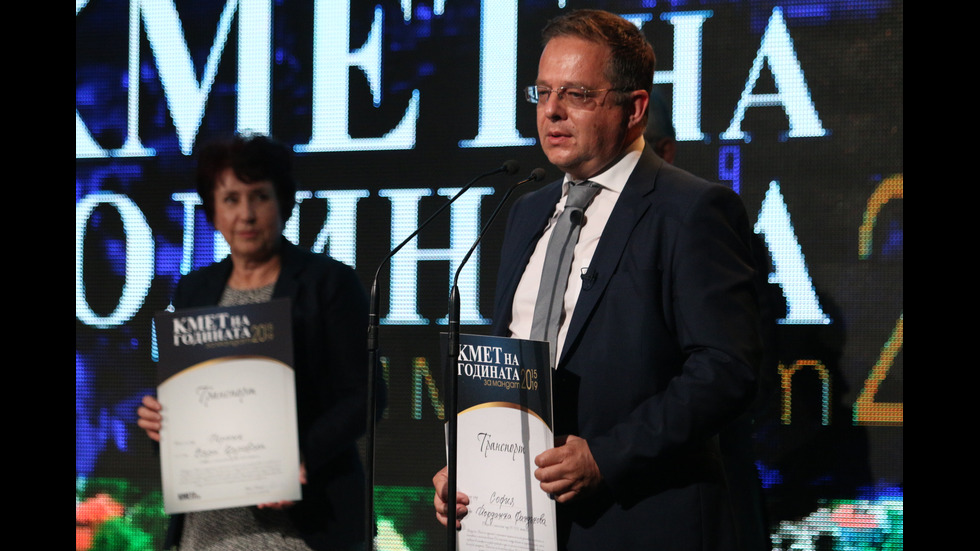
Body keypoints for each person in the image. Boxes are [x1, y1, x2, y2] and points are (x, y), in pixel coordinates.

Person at [434, 9, 763, 550]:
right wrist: (470, 464)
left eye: (578, 94)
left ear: (635, 109)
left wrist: (606, 457)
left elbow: (725, 370)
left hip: (640, 521)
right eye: (543, 93)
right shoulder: (527, 211)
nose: (552, 111)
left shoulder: (692, 210)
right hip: (524, 526)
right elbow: (509, 363)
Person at [137, 133, 370, 550]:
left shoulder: (329, 283)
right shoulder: (194, 289)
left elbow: (366, 396)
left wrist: (300, 455)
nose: (245, 214)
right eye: (230, 199)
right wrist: (163, 421)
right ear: (213, 212)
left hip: (301, 529)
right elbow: (192, 396)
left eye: (259, 196)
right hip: (205, 531)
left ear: (283, 203)